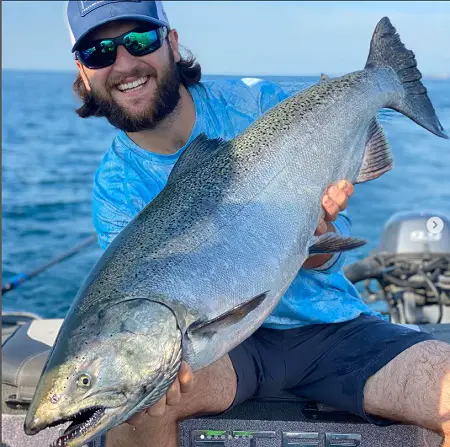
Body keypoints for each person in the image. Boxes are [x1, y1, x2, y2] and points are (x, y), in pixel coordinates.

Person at [66, 2, 450, 447]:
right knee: (139, 412)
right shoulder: (115, 186)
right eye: (99, 52)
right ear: (83, 71)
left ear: (170, 42)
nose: (125, 63)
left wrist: (320, 229)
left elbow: (327, 250)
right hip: (223, 350)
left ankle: (387, 80)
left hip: (330, 327)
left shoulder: (254, 105)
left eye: (139, 41)